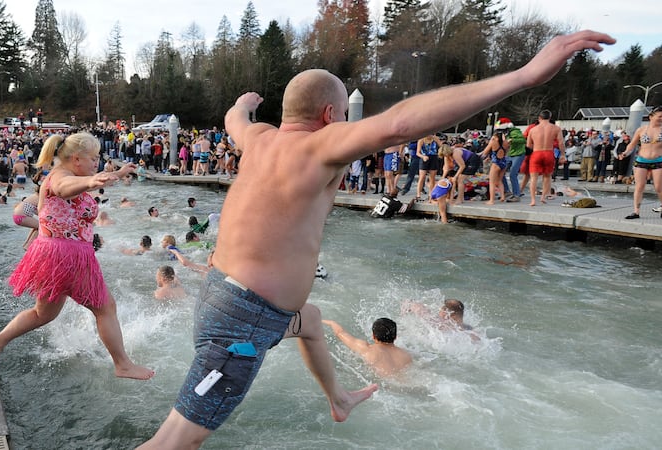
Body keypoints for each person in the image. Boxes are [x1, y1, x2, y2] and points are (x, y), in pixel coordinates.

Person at [138, 30, 615, 448]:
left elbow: (231, 118)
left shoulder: (257, 138)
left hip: (229, 297)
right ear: (330, 114)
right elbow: (401, 123)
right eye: (346, 114)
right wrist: (524, 76)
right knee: (177, 440)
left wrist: (245, 102)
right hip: (241, 324)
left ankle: (338, 398)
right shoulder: (318, 144)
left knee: (311, 319)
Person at [0, 132, 154, 381]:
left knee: (44, 314)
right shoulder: (61, 178)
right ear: (76, 159)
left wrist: (116, 175)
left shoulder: (67, 175)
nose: (97, 163)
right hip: (67, 256)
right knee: (106, 308)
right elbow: (64, 189)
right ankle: (123, 364)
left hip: (54, 253)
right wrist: (90, 182)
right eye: (94, 158)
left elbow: (60, 200)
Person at [618, 106, 662, 219]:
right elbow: (633, 143)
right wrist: (625, 152)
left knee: (659, 187)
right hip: (642, 160)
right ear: (651, 116)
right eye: (660, 116)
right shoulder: (641, 130)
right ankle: (636, 211)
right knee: (639, 186)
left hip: (659, 160)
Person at [322, 318, 412, 379]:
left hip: (381, 385)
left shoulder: (366, 349)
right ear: (395, 336)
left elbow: (340, 333)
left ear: (373, 336)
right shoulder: (406, 355)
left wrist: (331, 322)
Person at [526, 110, 565, 206]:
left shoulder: (533, 130)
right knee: (547, 177)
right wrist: (563, 155)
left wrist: (527, 156)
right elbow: (561, 143)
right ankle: (543, 197)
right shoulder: (556, 128)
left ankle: (533, 200)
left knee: (533, 178)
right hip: (548, 152)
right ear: (550, 117)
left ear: (539, 118)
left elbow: (528, 146)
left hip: (536, 152)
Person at [479, 127, 510, 204]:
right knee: (499, 180)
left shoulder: (493, 142)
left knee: (492, 182)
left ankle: (491, 200)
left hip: (496, 163)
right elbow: (506, 153)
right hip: (503, 162)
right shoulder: (506, 143)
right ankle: (502, 196)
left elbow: (485, 152)